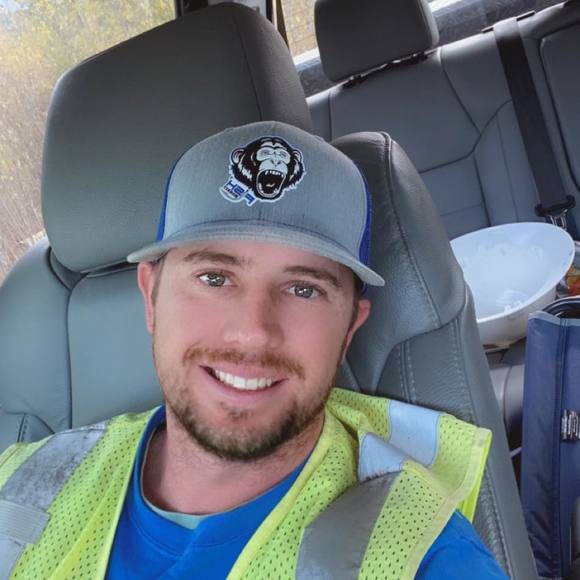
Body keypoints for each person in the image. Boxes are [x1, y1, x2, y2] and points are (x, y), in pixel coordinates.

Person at [0, 121, 507, 579]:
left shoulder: (420, 556)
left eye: (304, 289)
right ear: (150, 297)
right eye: (214, 278)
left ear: (351, 327)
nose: (253, 332)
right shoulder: (19, 480)